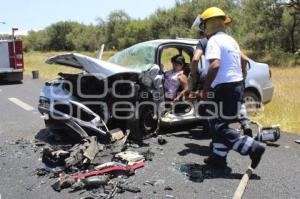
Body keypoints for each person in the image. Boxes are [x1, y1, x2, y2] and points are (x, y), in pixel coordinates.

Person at [194, 7, 265, 169]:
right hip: (236, 85)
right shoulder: (230, 40)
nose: (203, 28)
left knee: (218, 126)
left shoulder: (214, 41)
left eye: (204, 25)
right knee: (220, 123)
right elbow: (242, 61)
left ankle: (253, 148)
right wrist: (241, 78)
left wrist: (205, 88)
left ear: (209, 24)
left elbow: (215, 65)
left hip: (224, 88)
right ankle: (218, 158)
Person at [190, 14, 253, 137]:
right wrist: (243, 74)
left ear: (207, 27)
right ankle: (243, 127)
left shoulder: (209, 41)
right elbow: (244, 59)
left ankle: (247, 145)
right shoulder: (231, 40)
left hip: (220, 85)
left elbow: (203, 62)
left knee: (215, 121)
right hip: (237, 83)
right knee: (232, 112)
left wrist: (200, 83)